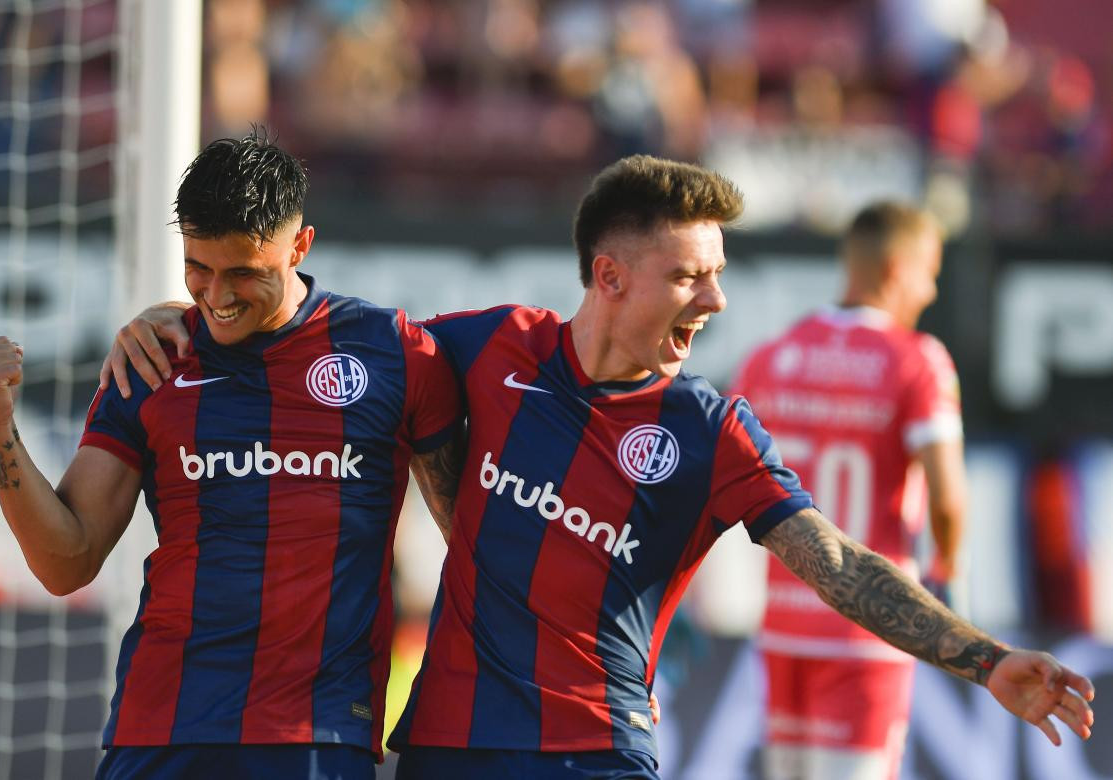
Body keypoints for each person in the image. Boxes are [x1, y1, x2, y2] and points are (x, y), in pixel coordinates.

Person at [105, 156, 1095, 780]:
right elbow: (305, 331)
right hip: (446, 746)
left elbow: (837, 560)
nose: (714, 296)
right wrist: (188, 326)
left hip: (596, 749)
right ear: (610, 277)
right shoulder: (480, 350)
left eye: (717, 271)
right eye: (690, 274)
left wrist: (985, 656)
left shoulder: (711, 427)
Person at [0, 132, 465, 780]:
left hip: (315, 737)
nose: (215, 295)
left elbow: (471, 540)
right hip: (161, 730)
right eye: (197, 268)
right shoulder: (152, 361)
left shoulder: (392, 353)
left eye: (242, 273)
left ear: (300, 246)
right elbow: (66, 561)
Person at [731, 202, 966, 779]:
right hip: (870, 626)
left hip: (783, 625)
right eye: (928, 271)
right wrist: (947, 574)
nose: (931, 290)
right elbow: (947, 498)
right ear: (895, 269)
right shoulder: (918, 360)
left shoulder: (770, 357)